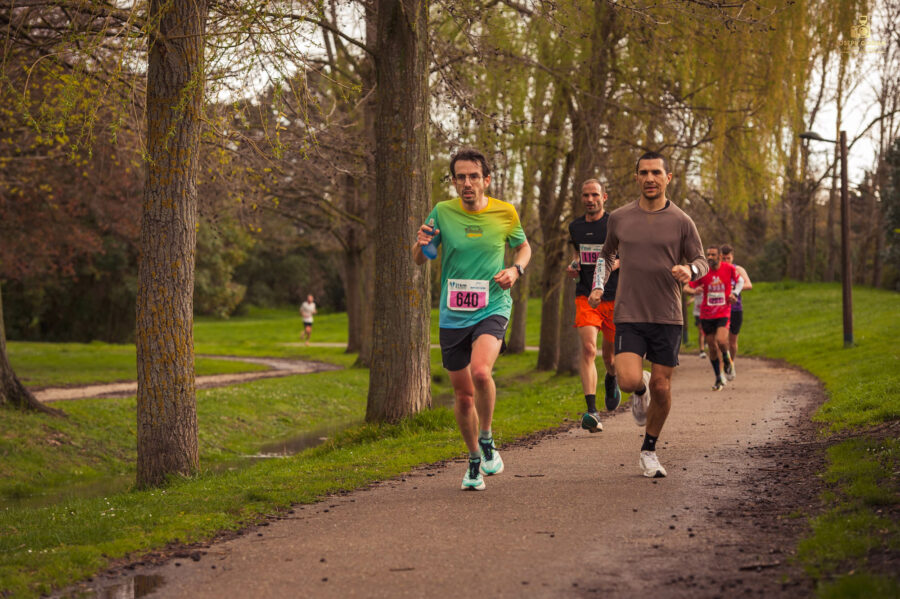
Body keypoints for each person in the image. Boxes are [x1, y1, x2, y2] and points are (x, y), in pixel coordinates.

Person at [414, 148, 531, 491]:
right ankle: (474, 462)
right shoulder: (441, 212)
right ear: (453, 182)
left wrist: (515, 269)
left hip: (492, 305)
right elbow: (421, 258)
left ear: (486, 180)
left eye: (473, 176)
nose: (467, 183)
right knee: (463, 396)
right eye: (460, 177)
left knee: (481, 371)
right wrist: (420, 244)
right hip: (453, 313)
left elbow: (524, 247)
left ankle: (488, 438)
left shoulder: (505, 212)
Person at [588, 151, 708, 479]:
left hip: (668, 315)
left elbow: (702, 260)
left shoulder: (682, 221)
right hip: (630, 312)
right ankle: (639, 388)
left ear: (668, 178)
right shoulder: (621, 218)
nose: (650, 178)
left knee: (663, 387)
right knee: (628, 380)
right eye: (644, 172)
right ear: (637, 177)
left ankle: (649, 450)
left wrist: (689, 269)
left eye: (657, 172)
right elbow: (606, 255)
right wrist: (599, 285)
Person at [566, 179, 620, 434]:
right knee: (588, 349)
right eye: (586, 195)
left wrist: (608, 265)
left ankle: (611, 378)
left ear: (604, 197)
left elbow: (625, 256)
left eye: (595, 195)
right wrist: (574, 265)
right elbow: (578, 254)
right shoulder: (575, 227)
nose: (590, 199)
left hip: (613, 297)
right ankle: (592, 411)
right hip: (585, 296)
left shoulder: (614, 224)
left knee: (610, 358)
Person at [684, 246, 743, 390]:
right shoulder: (703, 272)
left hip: (723, 311)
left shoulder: (728, 268)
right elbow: (686, 288)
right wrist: (694, 290)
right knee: (711, 347)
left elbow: (740, 281)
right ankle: (718, 377)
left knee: (722, 341)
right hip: (706, 314)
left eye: (713, 255)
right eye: (708, 254)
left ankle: (728, 360)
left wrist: (734, 293)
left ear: (719, 256)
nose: (709, 257)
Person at [720, 244, 752, 363]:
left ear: (732, 257)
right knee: (722, 340)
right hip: (720, 309)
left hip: (735, 309)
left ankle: (731, 363)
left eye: (728, 258)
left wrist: (733, 288)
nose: (726, 261)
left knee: (732, 343)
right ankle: (722, 365)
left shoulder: (738, 270)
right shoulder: (717, 271)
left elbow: (749, 285)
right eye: (723, 258)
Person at [692, 290, 707, 359]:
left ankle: (707, 342)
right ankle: (702, 351)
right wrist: (694, 291)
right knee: (701, 331)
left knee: (707, 330)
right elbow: (686, 289)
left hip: (708, 311)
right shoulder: (696, 283)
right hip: (698, 312)